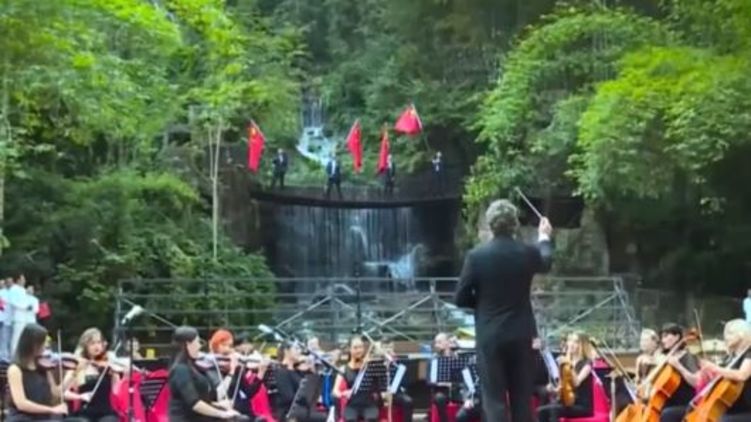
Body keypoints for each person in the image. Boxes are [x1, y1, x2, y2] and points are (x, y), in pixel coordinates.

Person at [454, 199, 553, 422]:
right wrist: (544, 236)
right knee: (522, 400)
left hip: (490, 336)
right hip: (521, 333)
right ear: (515, 223)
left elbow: (460, 298)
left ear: (490, 225)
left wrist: (483, 305)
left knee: (494, 401)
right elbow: (546, 261)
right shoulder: (527, 252)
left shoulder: (476, 256)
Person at [168, 325, 241, 421]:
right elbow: (194, 403)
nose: (200, 346)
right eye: (197, 342)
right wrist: (222, 414)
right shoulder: (180, 370)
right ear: (188, 344)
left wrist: (218, 404)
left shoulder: (193, 367)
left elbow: (203, 398)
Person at [7, 323, 71, 421]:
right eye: (43, 342)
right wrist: (52, 409)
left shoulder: (43, 365)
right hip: (22, 418)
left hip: (43, 417)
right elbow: (21, 404)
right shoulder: (15, 369)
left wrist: (72, 374)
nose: (46, 345)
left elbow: (56, 393)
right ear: (32, 344)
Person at [694, 319, 751, 421]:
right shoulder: (731, 357)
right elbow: (722, 379)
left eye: (730, 334)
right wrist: (708, 374)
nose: (726, 338)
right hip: (730, 406)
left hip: (746, 408)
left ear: (741, 334)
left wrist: (715, 368)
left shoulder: (749, 353)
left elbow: (742, 375)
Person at [64, 328, 121, 422]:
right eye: (92, 343)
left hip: (106, 412)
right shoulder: (79, 365)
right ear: (85, 346)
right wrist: (80, 396)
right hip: (85, 412)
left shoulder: (107, 366)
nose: (96, 346)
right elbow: (63, 393)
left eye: (99, 342)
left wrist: (115, 373)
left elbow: (117, 391)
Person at [536, 332, 595, 421]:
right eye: (570, 341)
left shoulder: (587, 364)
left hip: (582, 405)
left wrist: (569, 364)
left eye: (575, 342)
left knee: (554, 410)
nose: (571, 344)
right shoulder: (566, 361)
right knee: (540, 411)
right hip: (568, 402)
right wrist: (555, 390)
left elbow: (576, 383)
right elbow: (563, 385)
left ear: (582, 345)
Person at [653, 323, 700, 422]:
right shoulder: (665, 357)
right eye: (662, 337)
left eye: (666, 336)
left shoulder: (687, 356)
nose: (663, 340)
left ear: (677, 337)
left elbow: (696, 382)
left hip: (684, 404)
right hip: (667, 403)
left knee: (666, 414)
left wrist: (679, 366)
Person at [333, 335, 379, 422]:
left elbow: (378, 386)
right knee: (350, 419)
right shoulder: (344, 368)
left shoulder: (369, 366)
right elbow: (335, 391)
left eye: (361, 347)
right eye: (355, 348)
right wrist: (343, 394)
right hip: (352, 405)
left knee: (371, 419)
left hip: (369, 404)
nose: (359, 350)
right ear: (350, 349)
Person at [8, 274, 32, 355]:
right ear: (18, 280)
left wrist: (28, 306)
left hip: (25, 317)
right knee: (16, 338)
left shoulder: (23, 290)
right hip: (17, 316)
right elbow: (13, 302)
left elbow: (26, 301)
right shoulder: (13, 289)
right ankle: (13, 356)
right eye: (22, 279)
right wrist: (24, 307)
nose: (24, 281)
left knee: (22, 338)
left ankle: (20, 356)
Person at [0, 278, 11, 360]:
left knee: (5, 338)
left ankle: (4, 355)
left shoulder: (8, 293)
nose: (2, 285)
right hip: (3, 318)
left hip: (5, 319)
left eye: (3, 283)